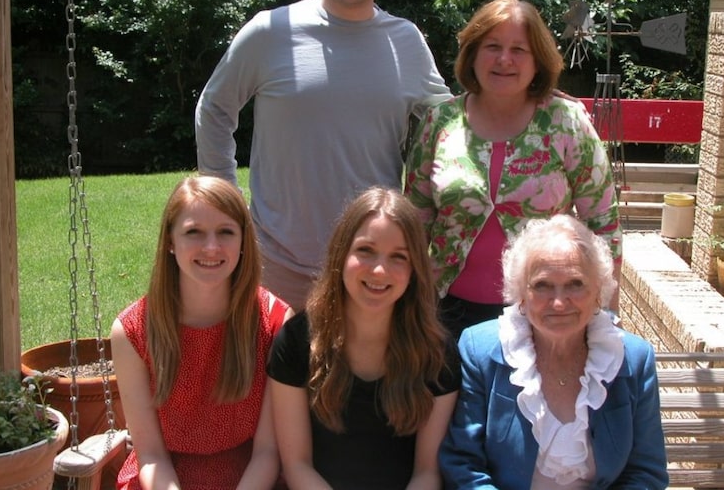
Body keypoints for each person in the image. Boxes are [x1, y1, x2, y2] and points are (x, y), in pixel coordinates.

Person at [195, 0, 451, 310]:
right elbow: (215, 108)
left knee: (361, 376)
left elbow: (453, 122)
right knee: (270, 376)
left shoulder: (406, 42)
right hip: (275, 265)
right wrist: (226, 206)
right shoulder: (270, 32)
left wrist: (527, 97)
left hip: (371, 268)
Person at [405, 0, 621, 338]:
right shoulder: (440, 122)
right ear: (472, 55)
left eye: (519, 49)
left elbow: (603, 223)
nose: (504, 59)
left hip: (546, 316)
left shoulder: (566, 122)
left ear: (538, 60)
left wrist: (605, 315)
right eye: (492, 46)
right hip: (445, 314)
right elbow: (415, 223)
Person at [439, 215, 668, 490]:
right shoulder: (480, 350)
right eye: (542, 285)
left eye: (575, 284)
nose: (559, 303)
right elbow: (463, 465)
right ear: (521, 294)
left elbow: (646, 473)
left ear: (598, 291)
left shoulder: (633, 359)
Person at [267, 187, 460, 490]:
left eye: (399, 257)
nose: (380, 270)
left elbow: (427, 473)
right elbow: (296, 465)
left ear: (414, 271)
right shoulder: (296, 341)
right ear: (341, 254)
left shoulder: (437, 352)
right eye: (366, 251)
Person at [111, 176, 293, 490]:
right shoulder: (132, 330)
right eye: (194, 232)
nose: (211, 247)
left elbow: (268, 451)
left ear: (242, 242)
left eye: (226, 232)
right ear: (170, 241)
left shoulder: (276, 321)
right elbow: (151, 456)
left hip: (251, 477)